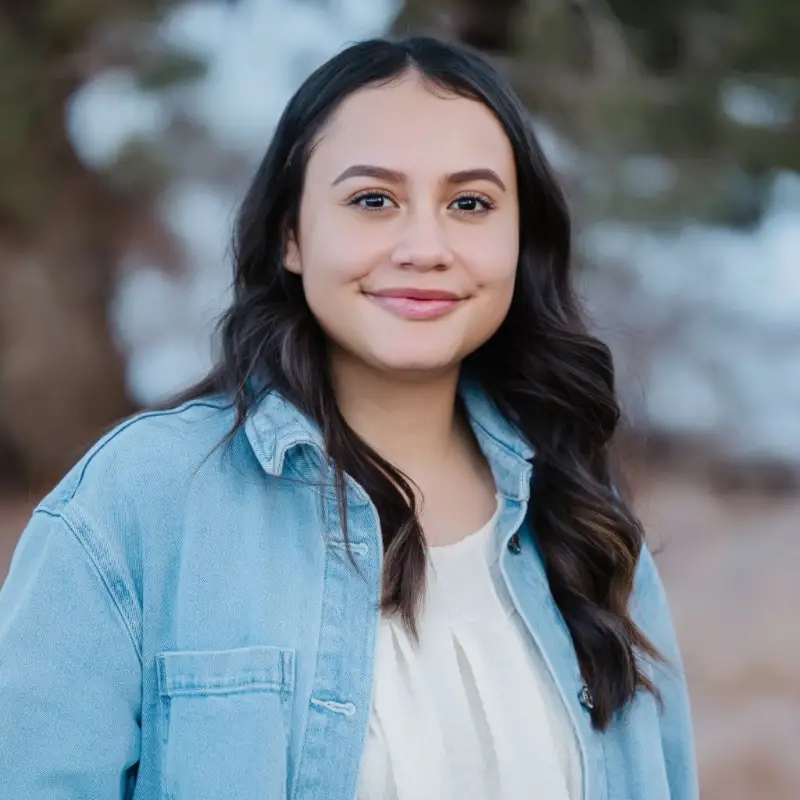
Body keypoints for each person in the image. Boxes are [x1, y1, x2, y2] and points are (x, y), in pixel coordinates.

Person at [0, 35, 698, 800]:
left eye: (470, 204)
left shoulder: (581, 516)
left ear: (519, 239)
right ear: (290, 235)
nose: (424, 247)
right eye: (373, 200)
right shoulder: (142, 504)